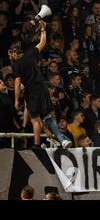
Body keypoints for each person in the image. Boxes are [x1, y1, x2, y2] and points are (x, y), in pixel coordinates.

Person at [10, 21, 70, 149]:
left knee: (35, 119)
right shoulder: (30, 54)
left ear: (14, 53)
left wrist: (16, 100)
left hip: (32, 91)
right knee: (47, 116)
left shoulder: (16, 65)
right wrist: (43, 29)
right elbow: (42, 42)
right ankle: (62, 139)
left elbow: (17, 83)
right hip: (43, 87)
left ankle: (37, 145)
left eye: (10, 53)